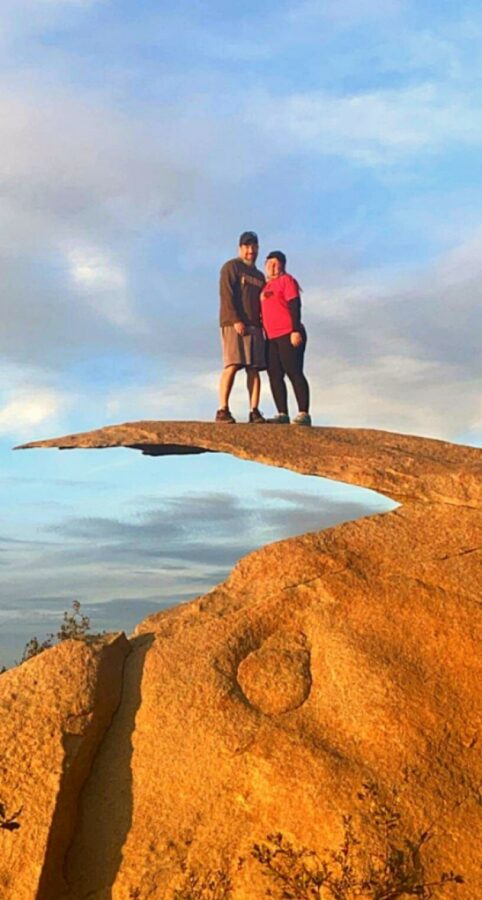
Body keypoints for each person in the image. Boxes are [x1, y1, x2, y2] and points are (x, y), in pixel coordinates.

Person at [216, 231, 267, 424]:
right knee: (232, 364)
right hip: (233, 323)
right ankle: (222, 409)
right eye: (247, 246)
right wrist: (236, 319)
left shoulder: (259, 276)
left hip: (255, 326)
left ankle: (254, 410)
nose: (251, 250)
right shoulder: (231, 267)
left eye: (254, 247)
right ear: (240, 248)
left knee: (254, 369)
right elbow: (226, 295)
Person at [261, 250, 311, 426]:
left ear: (282, 266)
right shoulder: (265, 287)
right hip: (271, 337)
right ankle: (282, 413)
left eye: (276, 264)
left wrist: (295, 330)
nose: (272, 267)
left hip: (289, 333)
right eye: (269, 264)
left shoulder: (287, 281)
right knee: (274, 374)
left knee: (294, 371)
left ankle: (303, 413)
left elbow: (295, 304)